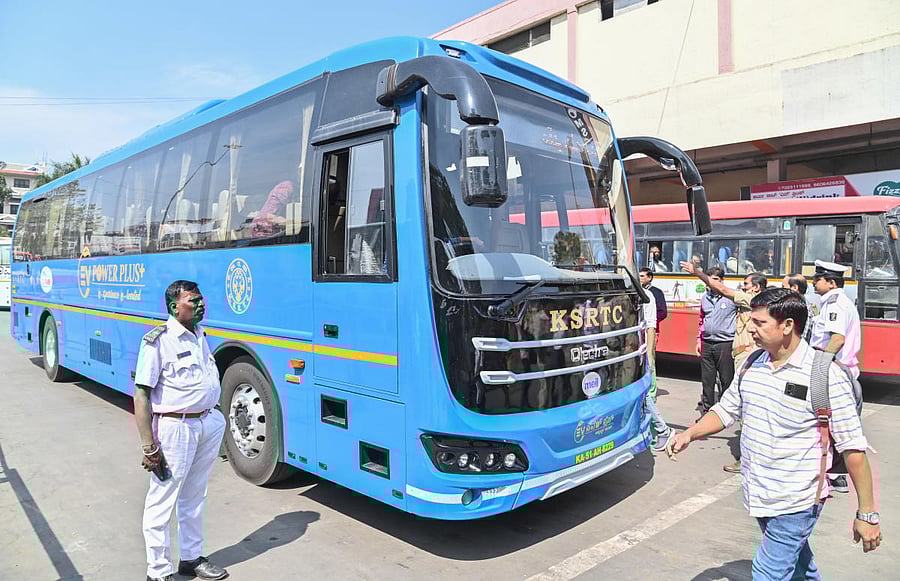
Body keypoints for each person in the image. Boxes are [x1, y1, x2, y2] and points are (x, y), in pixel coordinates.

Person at [667, 288, 881, 578]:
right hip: (760, 492)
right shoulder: (753, 364)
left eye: (759, 323)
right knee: (801, 569)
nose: (750, 329)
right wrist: (690, 433)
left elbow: (853, 449)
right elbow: (726, 410)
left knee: (767, 573)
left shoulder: (824, 375)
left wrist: (866, 514)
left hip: (798, 499)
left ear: (788, 326)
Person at [134, 280, 229, 581]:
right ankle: (158, 572)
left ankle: (191, 558)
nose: (201, 304)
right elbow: (141, 395)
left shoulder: (200, 335)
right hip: (176, 427)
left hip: (207, 423)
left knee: (194, 495)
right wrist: (150, 446)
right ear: (176, 307)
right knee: (162, 501)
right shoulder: (158, 341)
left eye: (201, 299)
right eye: (194, 300)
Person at [681, 261, 767, 472]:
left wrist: (697, 272)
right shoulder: (748, 300)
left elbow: (722, 289)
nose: (743, 286)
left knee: (746, 408)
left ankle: (747, 459)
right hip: (741, 353)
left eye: (746, 284)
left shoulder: (753, 300)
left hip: (747, 354)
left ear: (755, 287)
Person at [809, 259, 861, 495]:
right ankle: (836, 474)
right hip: (839, 369)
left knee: (829, 424)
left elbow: (836, 339)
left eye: (817, 279)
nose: (813, 282)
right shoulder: (839, 301)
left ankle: (833, 475)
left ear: (830, 282)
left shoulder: (835, 303)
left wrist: (818, 367)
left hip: (832, 370)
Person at [692, 267, 736, 418]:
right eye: (709, 279)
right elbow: (701, 321)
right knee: (707, 379)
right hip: (707, 343)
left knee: (726, 379)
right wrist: (699, 340)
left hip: (725, 343)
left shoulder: (730, 298)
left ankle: (725, 411)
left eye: (715, 279)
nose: (712, 283)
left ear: (722, 281)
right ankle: (707, 411)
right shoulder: (705, 298)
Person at [638, 275, 674, 451]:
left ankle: (662, 429)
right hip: (629, 350)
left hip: (639, 351)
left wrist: (648, 354)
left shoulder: (647, 296)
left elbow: (650, 326)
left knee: (644, 392)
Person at [782, 273, 817, 341]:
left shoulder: (805, 309)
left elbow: (803, 337)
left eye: (783, 287)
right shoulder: (789, 305)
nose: (781, 290)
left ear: (794, 287)